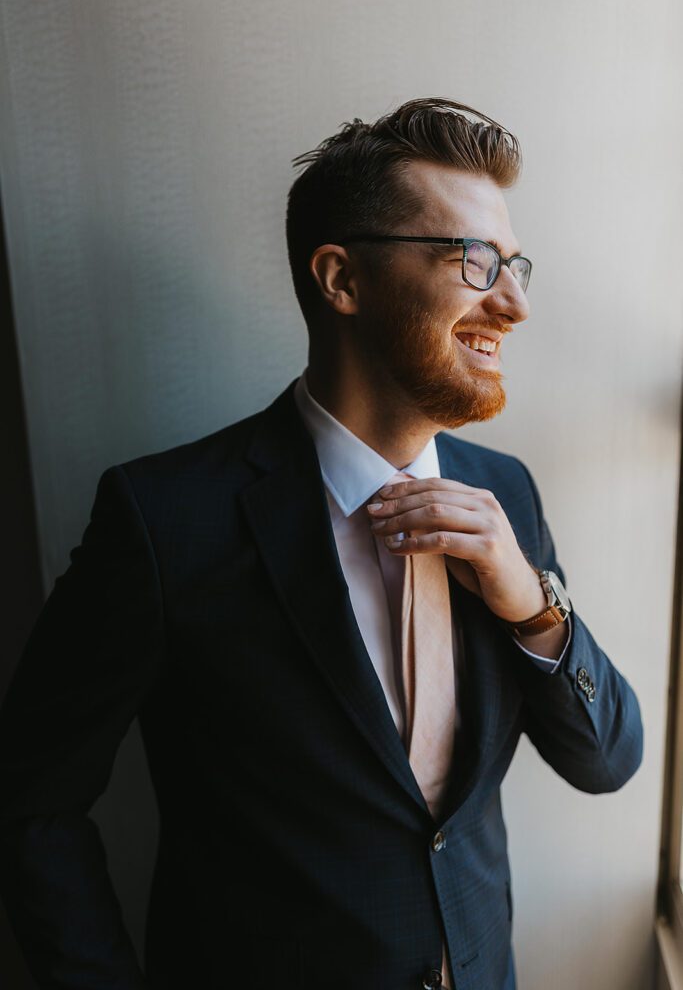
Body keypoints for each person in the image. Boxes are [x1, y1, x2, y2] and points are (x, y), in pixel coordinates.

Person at [0, 97, 643, 990]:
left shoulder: (507, 494)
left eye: (515, 262)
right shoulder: (162, 519)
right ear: (341, 279)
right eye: (474, 259)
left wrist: (532, 605)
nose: (515, 301)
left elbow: (607, 760)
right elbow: (30, 804)